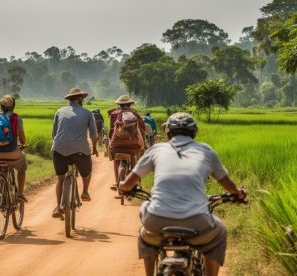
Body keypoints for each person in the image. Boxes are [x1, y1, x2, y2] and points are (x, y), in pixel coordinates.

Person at [119, 112, 247, 276]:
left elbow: (128, 183)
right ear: (194, 132)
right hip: (197, 221)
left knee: (144, 233)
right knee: (220, 231)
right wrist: (238, 193)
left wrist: (123, 186)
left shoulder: (156, 150)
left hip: (157, 220)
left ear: (168, 132)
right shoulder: (206, 151)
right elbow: (228, 184)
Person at [51, 88, 98, 218]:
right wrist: (94, 148)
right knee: (87, 171)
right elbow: (93, 135)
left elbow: (54, 134)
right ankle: (85, 191)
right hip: (80, 150)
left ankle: (58, 207)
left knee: (60, 178)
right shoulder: (88, 113)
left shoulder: (59, 111)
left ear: (69, 99)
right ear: (81, 99)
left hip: (59, 149)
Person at [0, 95, 28, 202]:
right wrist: (23, 143)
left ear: (0, 105)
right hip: (11, 152)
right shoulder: (16, 118)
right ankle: (20, 194)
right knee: (22, 167)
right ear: (13, 106)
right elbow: (21, 135)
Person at [108, 95, 146, 190]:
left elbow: (111, 131)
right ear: (130, 104)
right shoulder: (135, 114)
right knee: (136, 157)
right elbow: (143, 129)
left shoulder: (114, 114)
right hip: (133, 145)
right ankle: (135, 182)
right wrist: (142, 144)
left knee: (116, 160)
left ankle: (117, 182)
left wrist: (111, 143)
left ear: (119, 104)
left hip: (117, 145)